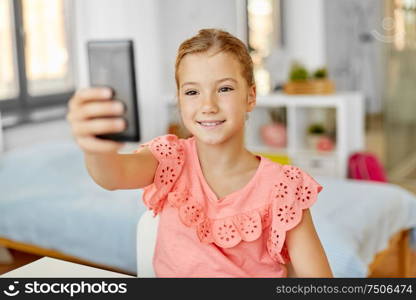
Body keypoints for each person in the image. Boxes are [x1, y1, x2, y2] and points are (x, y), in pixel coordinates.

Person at [66, 28, 333, 278]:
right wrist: (95, 148)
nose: (208, 105)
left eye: (225, 89)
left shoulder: (283, 187)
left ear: (251, 97)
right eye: (192, 92)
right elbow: (112, 175)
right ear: (180, 100)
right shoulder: (171, 158)